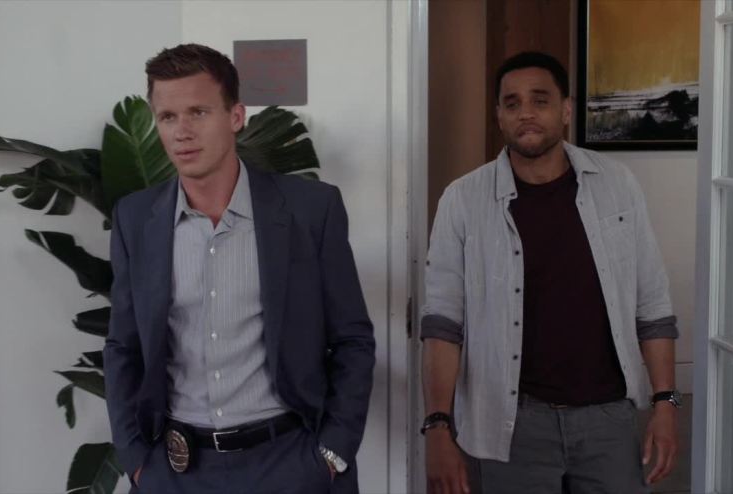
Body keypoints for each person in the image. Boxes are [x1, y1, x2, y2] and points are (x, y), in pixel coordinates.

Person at [103, 43, 375, 494]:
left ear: (236, 116)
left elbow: (352, 339)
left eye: (198, 112)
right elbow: (123, 348)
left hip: (290, 463)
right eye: (167, 117)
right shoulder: (135, 219)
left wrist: (331, 453)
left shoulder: (310, 210)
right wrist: (136, 461)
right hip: (175, 470)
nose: (182, 132)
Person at [421, 51, 680, 494]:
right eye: (512, 103)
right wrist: (438, 426)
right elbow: (443, 322)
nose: (525, 113)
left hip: (607, 420)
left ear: (565, 110)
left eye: (539, 100)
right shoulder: (463, 200)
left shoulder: (617, 184)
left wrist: (665, 402)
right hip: (512, 424)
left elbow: (652, 305)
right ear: (499, 116)